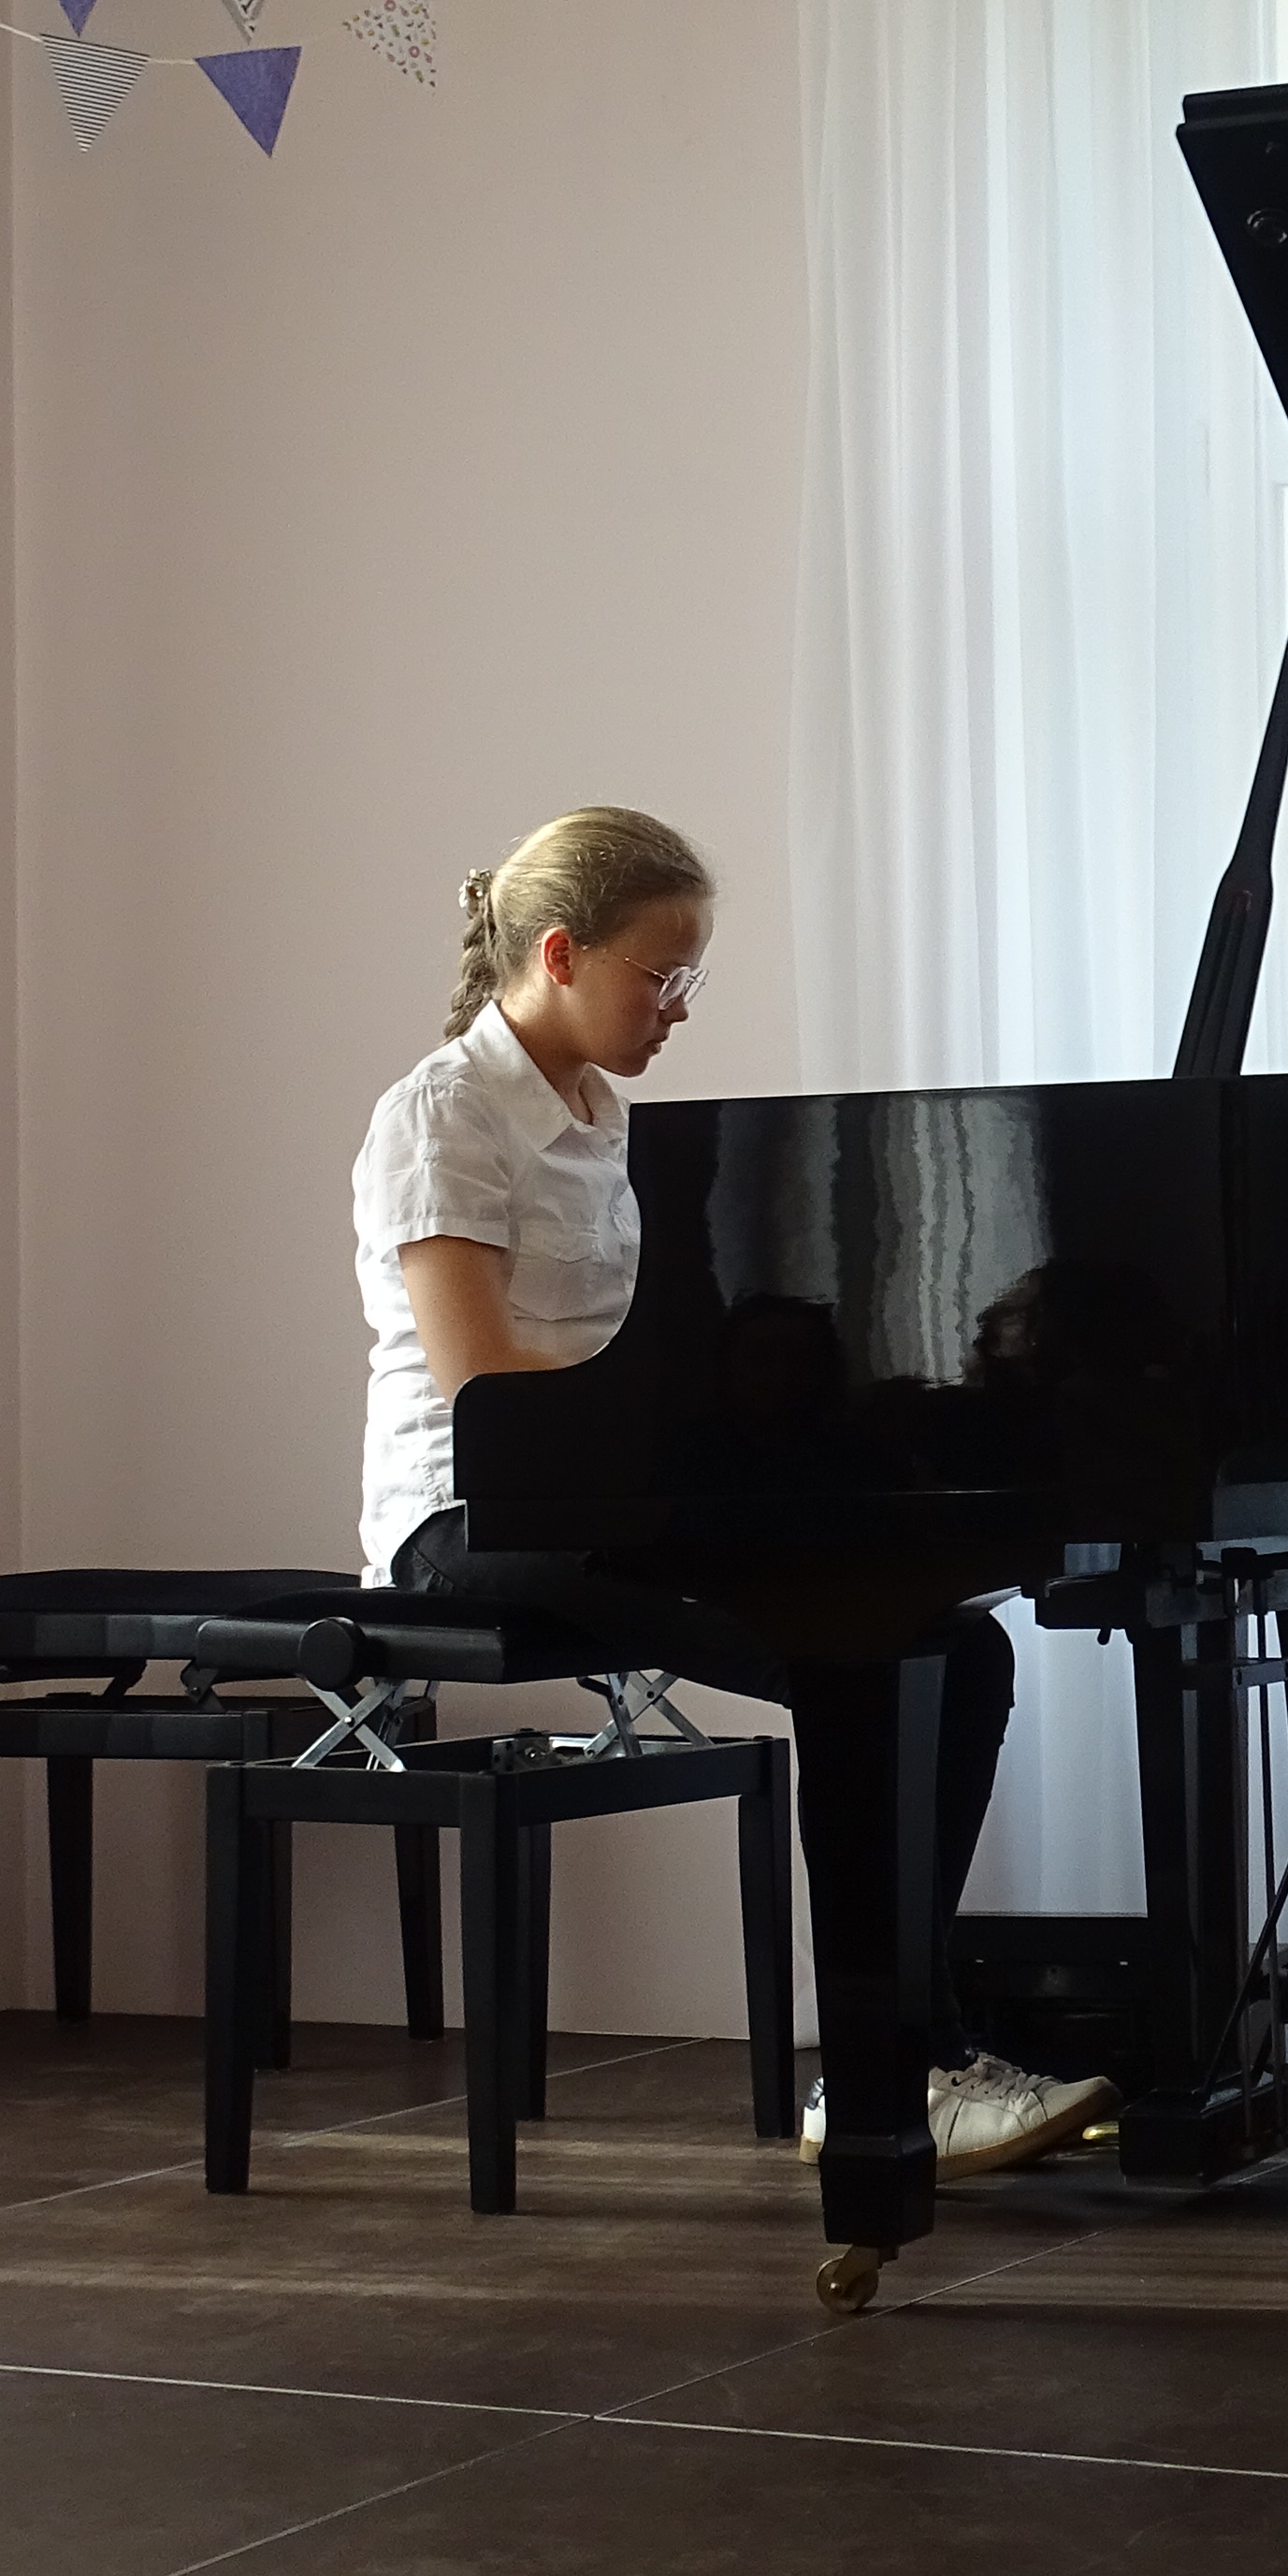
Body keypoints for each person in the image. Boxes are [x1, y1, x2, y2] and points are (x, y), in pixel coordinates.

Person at [351, 807, 1113, 2181]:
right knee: (857, 1653)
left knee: (960, 1649)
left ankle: (907, 2052)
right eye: (664, 975)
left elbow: (656, 1368)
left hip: (606, 1506)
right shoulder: (442, 1112)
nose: (682, 1007)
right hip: (466, 1523)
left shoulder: (605, 1119)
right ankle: (896, 2073)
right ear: (563, 954)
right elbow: (485, 1385)